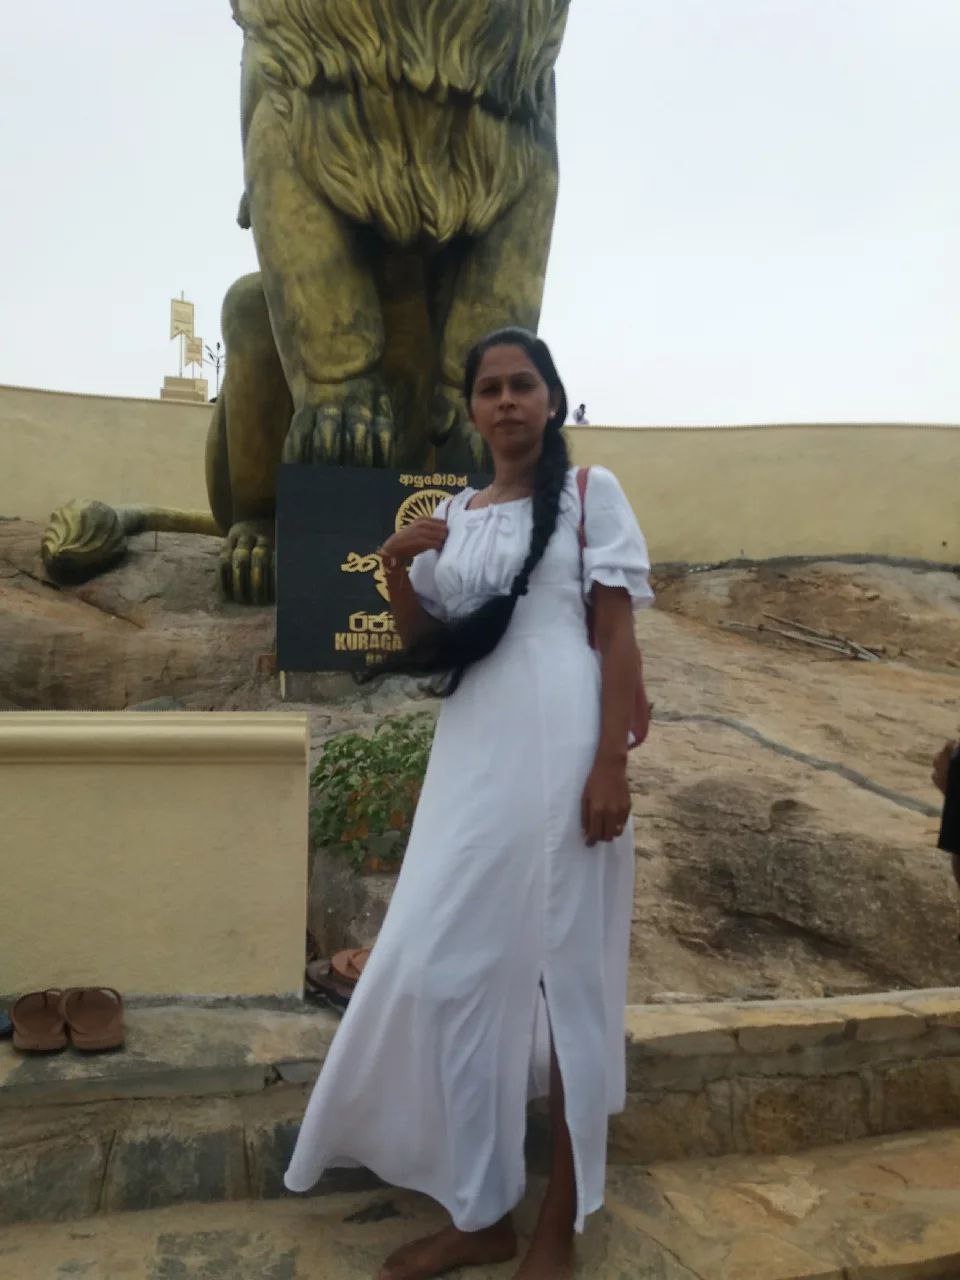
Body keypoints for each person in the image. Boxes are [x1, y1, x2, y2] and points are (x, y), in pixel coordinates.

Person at [284, 327, 653, 1280]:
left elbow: (616, 638)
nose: (507, 401)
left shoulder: (589, 494)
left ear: (552, 399)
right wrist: (397, 567)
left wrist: (608, 764)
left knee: (567, 983)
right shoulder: (454, 512)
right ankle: (481, 1208)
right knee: (445, 968)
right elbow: (425, 646)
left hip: (566, 743)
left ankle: (557, 1222)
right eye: (490, 389)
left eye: (523, 384)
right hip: (474, 752)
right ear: (473, 411)